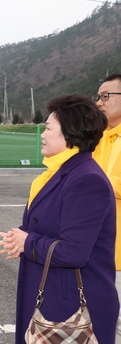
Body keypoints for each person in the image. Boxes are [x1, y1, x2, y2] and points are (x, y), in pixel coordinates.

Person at [0, 94, 118, 343]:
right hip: (53, 298)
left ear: (69, 133)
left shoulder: (86, 179)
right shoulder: (58, 172)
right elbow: (49, 225)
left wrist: (27, 242)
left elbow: (73, 252)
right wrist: (19, 238)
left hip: (71, 307)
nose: (42, 133)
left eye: (49, 128)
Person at [93, 73, 121, 343]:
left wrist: (94, 181)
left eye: (106, 96)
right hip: (96, 253)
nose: (99, 102)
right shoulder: (98, 137)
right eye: (97, 97)